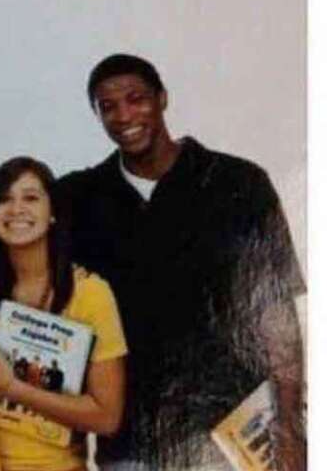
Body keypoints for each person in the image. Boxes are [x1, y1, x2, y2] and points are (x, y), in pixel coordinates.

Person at [59, 53, 306, 471]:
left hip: (232, 435)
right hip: (131, 444)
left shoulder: (238, 184)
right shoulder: (80, 198)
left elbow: (275, 315)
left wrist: (290, 428)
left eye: (136, 99)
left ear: (162, 99)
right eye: (108, 107)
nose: (123, 115)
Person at [0, 157, 127, 471]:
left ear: (53, 213)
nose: (16, 208)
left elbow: (107, 416)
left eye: (31, 198)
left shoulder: (89, 294)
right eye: (4, 199)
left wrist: (11, 388)